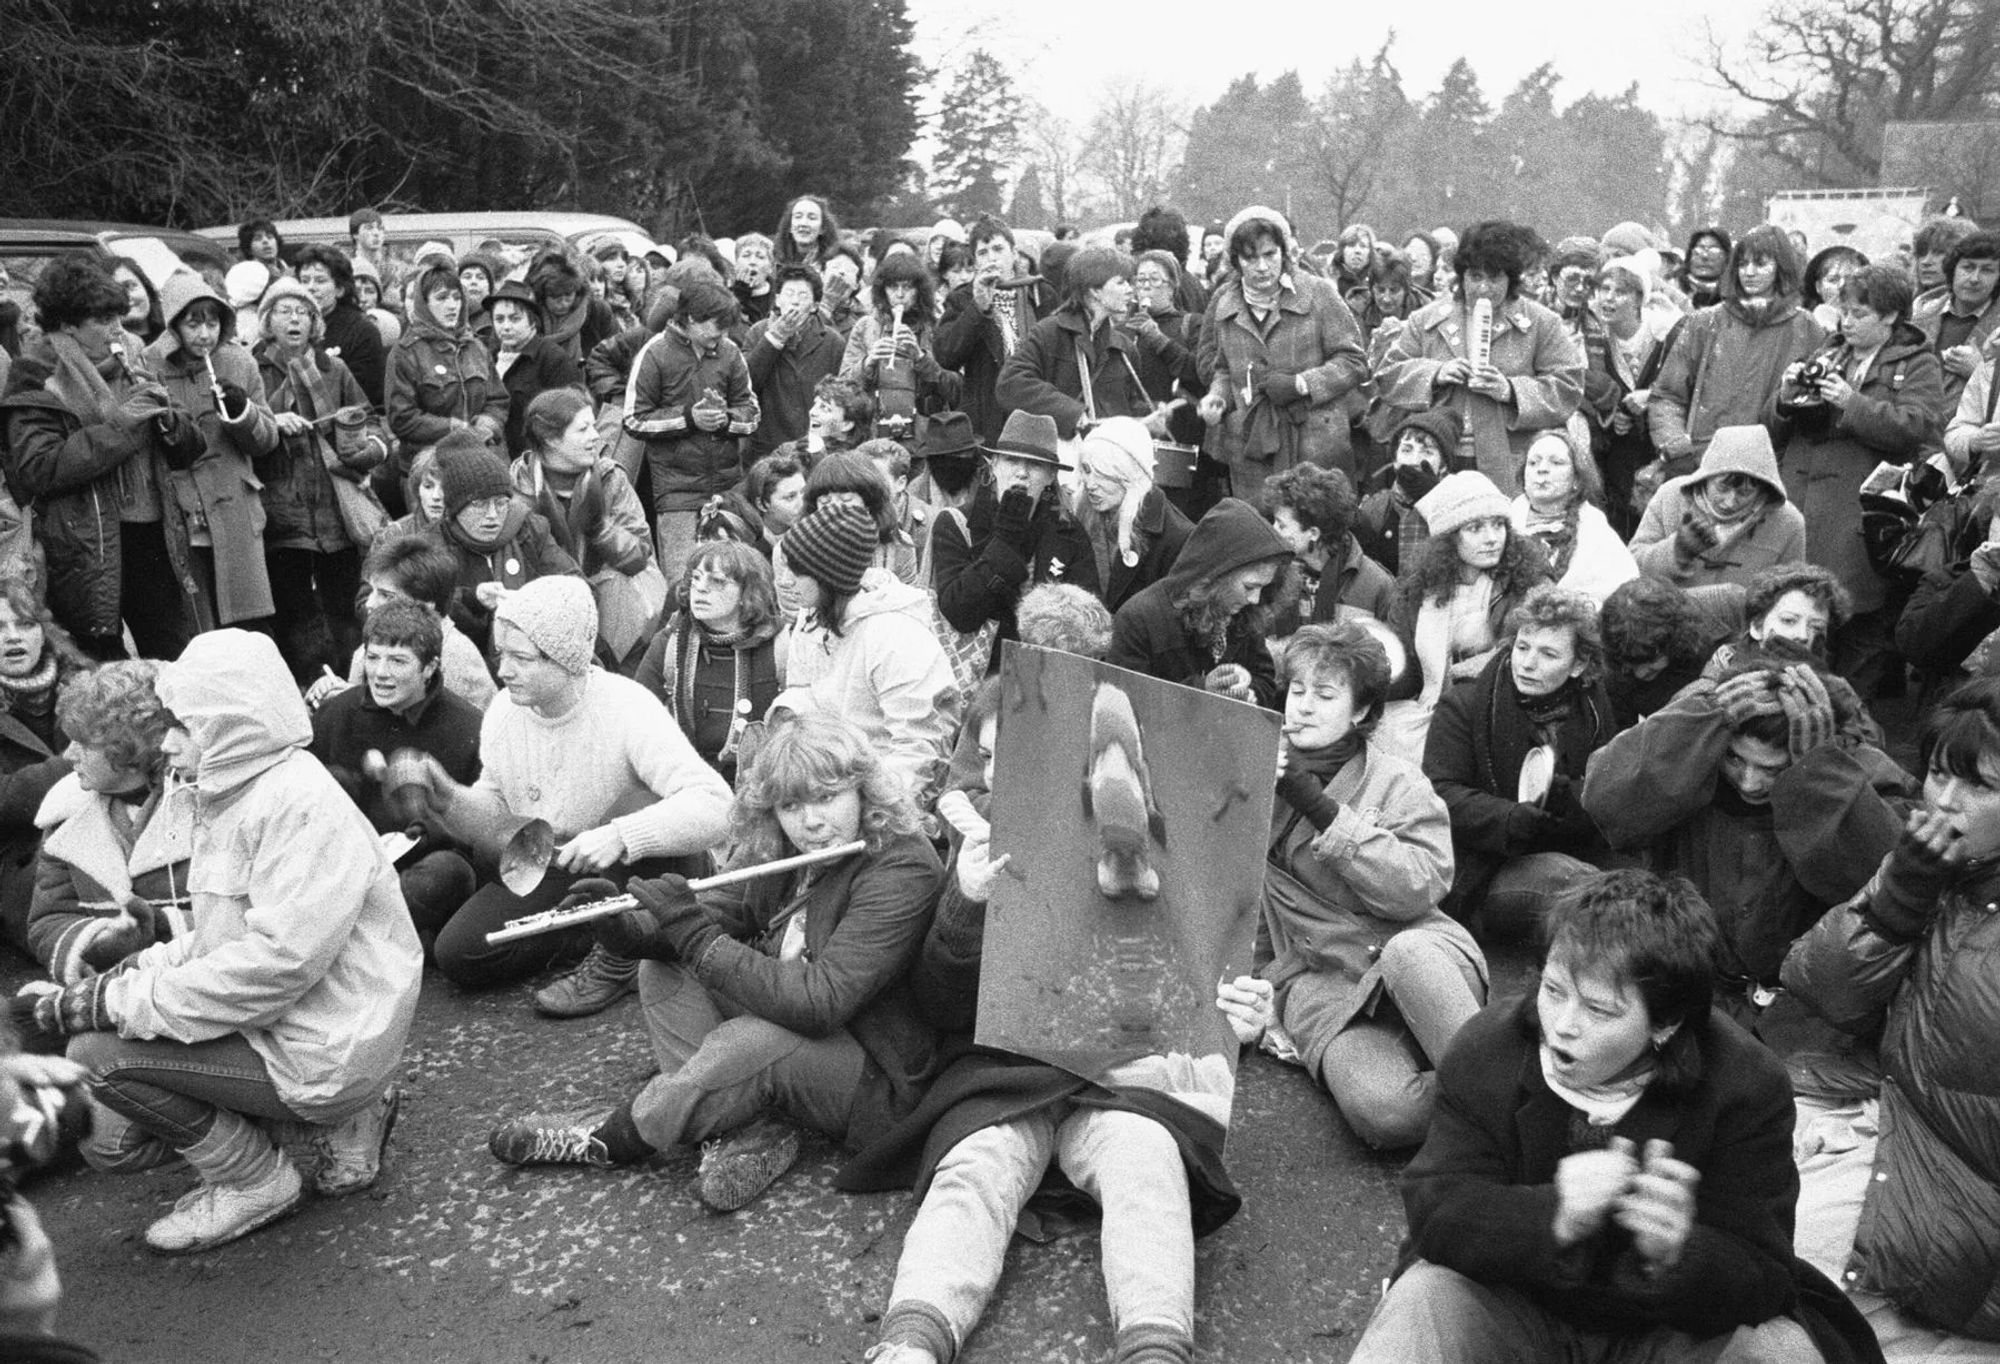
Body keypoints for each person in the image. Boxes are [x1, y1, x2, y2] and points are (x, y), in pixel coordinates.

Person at [843, 679, 1266, 1364]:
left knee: (1146, 1165)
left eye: (1014, 754)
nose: (994, 776)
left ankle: (1156, 1349)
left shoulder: (1170, 837)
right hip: (1013, 1067)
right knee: (974, 1167)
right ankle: (911, 1344)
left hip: (1127, 1071)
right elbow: (941, 1004)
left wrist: (1241, 1012)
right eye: (986, 758)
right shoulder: (980, 844)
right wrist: (966, 905)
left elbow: (1211, 971)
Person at [1347, 869, 1873, 1364]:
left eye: (1599, 1010)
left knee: (1780, 1350)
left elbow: (1766, 1275)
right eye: (1554, 991)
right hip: (1516, 1307)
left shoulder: (1745, 1085)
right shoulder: (1491, 1048)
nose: (1563, 1026)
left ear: (1665, 1025)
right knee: (1425, 1299)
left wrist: (1679, 1252)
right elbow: (1438, 1211)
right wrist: (1553, 1214)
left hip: (1660, 1330)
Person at [23, 629, 419, 1253]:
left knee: (98, 1056)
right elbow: (215, 938)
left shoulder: (294, 802)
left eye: (184, 726)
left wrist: (114, 1005)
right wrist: (109, 984)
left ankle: (258, 1178)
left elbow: (275, 966)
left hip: (326, 1039)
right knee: (109, 1139)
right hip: (297, 1024)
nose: (168, 743)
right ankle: (307, 1127)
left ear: (232, 726)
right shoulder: (233, 790)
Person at [485, 713, 944, 1215]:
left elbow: (822, 1003)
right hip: (795, 1021)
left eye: (828, 797)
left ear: (863, 791)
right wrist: (624, 928)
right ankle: (738, 1129)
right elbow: (716, 913)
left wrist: (696, 936)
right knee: (663, 969)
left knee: (746, 1042)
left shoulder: (902, 865)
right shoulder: (786, 842)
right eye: (792, 805)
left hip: (871, 1068)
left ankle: (613, 1135)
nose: (812, 821)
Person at [1783, 677, 2000, 1347]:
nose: (1944, 800)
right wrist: (1900, 892)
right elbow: (1821, 984)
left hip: (1956, 1192)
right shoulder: (1939, 874)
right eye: (1937, 774)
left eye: (1979, 785)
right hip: (1881, 1117)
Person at [412, 575, 733, 1010]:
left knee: (641, 800)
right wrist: (449, 800)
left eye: (521, 658)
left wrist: (622, 835)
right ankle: (589, 933)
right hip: (554, 858)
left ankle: (622, 953)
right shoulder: (505, 711)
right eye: (502, 654)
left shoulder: (626, 706)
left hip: (634, 865)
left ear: (565, 661)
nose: (503, 671)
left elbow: (717, 805)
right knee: (460, 954)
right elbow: (496, 813)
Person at [1258, 621, 1487, 1150]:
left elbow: (1419, 888)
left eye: (1325, 694)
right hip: (1326, 984)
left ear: (1361, 711)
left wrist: (1318, 806)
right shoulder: (1251, 775)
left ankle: (1497, 1097)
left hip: (1422, 958)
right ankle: (1506, 1082)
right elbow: (1229, 897)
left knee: (1406, 952)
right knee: (1386, 1116)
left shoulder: (1398, 780)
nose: (1303, 707)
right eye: (1296, 691)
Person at [1582, 652, 1906, 1010]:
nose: (1750, 783)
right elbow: (1605, 802)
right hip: (1695, 981)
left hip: (1797, 1004)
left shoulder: (1859, 770)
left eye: (1772, 768)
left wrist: (1818, 772)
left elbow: (1882, 877)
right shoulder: (1694, 762)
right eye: (1735, 759)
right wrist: (1708, 714)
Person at [1772, 262, 1943, 697]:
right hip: (1802, 498)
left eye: (1859, 314)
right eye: (1844, 312)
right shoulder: (1827, 353)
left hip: (1859, 508)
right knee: (1800, 602)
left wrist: (1852, 403)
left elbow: (1919, 427)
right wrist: (1787, 398)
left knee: (1856, 610)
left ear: (1890, 317)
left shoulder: (1918, 362)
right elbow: (1777, 425)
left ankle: (1841, 709)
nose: (1847, 322)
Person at [1423, 585, 1614, 938]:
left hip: (1569, 845)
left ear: (1579, 665)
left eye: (1548, 654)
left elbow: (1605, 786)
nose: (1527, 663)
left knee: (1628, 882)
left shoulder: (1591, 705)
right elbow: (1439, 793)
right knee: (1577, 889)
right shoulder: (1465, 703)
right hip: (1483, 866)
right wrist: (1508, 818)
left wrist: (1565, 798)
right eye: (1522, 647)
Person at [309, 599, 483, 955]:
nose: (380, 673)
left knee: (448, 873)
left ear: (429, 667)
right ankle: (377, 936)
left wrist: (428, 826)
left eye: (397, 661)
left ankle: (343, 936)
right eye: (373, 658)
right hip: (349, 862)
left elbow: (477, 831)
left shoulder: (467, 725)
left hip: (418, 866)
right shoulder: (336, 713)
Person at [1375, 220, 1586, 497]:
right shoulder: (1426, 320)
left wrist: (1511, 390)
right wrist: (1434, 373)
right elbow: (1388, 375)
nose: (1484, 288)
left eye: (1495, 278)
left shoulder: (1541, 323)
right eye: (1475, 277)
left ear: (1511, 279)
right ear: (1461, 277)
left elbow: (1569, 387)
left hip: (1508, 463)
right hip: (1436, 459)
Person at [768, 504, 959, 807]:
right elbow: (803, 690)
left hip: (883, 796)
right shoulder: (811, 617)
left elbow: (918, 748)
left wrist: (873, 807)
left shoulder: (896, 636)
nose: (785, 580)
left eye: (797, 571)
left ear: (827, 574)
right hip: (822, 778)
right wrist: (788, 717)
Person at [252, 277, 391, 683]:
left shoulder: (334, 368)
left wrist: (365, 453)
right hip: (280, 511)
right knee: (294, 609)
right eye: (284, 311)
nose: (295, 320)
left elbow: (371, 422)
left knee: (343, 606)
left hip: (336, 508)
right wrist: (272, 420)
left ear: (315, 322)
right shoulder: (252, 368)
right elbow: (242, 429)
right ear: (266, 319)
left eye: (303, 312)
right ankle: (310, 687)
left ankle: (350, 683)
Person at [26, 660, 191, 996]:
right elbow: (47, 919)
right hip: (106, 989)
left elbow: (239, 921)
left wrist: (161, 928)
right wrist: (94, 941)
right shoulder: (64, 814)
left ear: (128, 748)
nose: (69, 755)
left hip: (192, 985)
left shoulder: (201, 805)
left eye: (83, 743)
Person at [140, 271, 283, 643]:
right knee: (197, 623)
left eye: (213, 321)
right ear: (173, 324)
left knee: (246, 624)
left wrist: (243, 413)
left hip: (234, 506)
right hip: (183, 509)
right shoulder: (148, 364)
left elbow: (266, 441)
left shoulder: (239, 362)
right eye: (193, 322)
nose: (205, 334)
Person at [1195, 206, 1369, 496]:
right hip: (1254, 454)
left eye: (1270, 255)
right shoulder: (1225, 306)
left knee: (1318, 530)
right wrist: (1217, 398)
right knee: (1263, 536)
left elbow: (1354, 361)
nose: (1262, 267)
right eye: (1250, 258)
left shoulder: (1318, 293)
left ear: (1284, 253)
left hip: (1316, 450)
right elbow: (1225, 369)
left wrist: (1302, 384)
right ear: (1235, 261)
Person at [1382, 472, 1555, 761]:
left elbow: (1533, 653)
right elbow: (1403, 672)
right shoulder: (1419, 590)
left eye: (1498, 525)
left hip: (1502, 711)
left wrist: (1472, 672)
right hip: (1432, 707)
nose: (1491, 538)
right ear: (1449, 538)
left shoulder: (1530, 582)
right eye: (1475, 528)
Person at [1644, 225, 1825, 496]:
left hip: (1772, 474)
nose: (1749, 272)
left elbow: (1815, 411)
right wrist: (1677, 447)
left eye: (1761, 263)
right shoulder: (1705, 323)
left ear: (1782, 268)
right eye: (1742, 264)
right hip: (1703, 468)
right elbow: (1667, 395)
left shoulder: (1806, 328)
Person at [509, 388, 663, 665]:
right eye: (583, 429)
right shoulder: (519, 486)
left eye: (594, 426)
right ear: (551, 439)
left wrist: (600, 528)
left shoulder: (608, 477)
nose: (596, 436)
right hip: (544, 607)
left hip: (610, 611)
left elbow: (640, 555)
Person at [623, 280, 759, 581]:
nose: (722, 334)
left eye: (727, 327)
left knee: (732, 579)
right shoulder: (654, 353)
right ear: (690, 318)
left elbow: (752, 413)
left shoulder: (730, 353)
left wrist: (725, 420)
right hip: (676, 494)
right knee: (684, 582)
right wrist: (688, 419)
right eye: (716, 325)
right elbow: (634, 419)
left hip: (727, 489)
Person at [931, 410, 1098, 656]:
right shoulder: (955, 523)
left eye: (1035, 464)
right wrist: (1005, 541)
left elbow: (1088, 621)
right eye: (1011, 460)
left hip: (1042, 674)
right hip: (979, 677)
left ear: (1051, 475)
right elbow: (959, 614)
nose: (1022, 472)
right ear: (995, 465)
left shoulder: (1069, 533)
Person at [1107, 497, 1293, 710]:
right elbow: (1123, 703)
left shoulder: (1243, 613)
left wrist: (1250, 693)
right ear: (1216, 575)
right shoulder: (1139, 618)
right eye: (1249, 587)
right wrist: (1201, 690)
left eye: (1263, 588)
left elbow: (1266, 681)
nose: (1255, 599)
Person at [633, 541, 784, 787]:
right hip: (685, 784)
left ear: (748, 594)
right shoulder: (671, 641)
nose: (700, 589)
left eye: (718, 581)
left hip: (765, 787)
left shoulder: (780, 645)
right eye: (696, 578)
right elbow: (636, 716)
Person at [0, 581, 90, 956]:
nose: (12, 638)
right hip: (19, 855)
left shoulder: (89, 687)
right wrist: (79, 759)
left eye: (25, 624)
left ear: (45, 632)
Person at [997, 246, 1155, 445]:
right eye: (1121, 283)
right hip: (1061, 459)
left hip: (1106, 462)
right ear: (1095, 290)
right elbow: (1011, 384)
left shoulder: (1123, 347)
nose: (1129, 289)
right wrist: (1072, 413)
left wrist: (1150, 416)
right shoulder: (1049, 333)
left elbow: (1127, 403)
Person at [1631, 425, 1807, 590]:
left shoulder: (1788, 524)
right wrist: (1677, 550)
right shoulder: (1671, 497)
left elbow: (1789, 595)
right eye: (1722, 488)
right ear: (1706, 477)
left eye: (1745, 493)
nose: (1729, 502)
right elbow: (1629, 568)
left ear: (1763, 489)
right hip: (1668, 618)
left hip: (1739, 622)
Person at [385, 262, 508, 470]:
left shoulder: (475, 346)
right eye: (442, 298)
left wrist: (488, 424)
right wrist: (453, 428)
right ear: (424, 303)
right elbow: (401, 418)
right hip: (429, 468)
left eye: (457, 297)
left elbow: (498, 398)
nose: (452, 305)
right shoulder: (406, 352)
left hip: (478, 460)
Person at [1070, 416, 1192, 616]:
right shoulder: (1078, 515)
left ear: (1131, 476)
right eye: (1087, 471)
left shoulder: (1177, 538)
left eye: (1103, 474)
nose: (1090, 484)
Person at [934, 217, 1039, 445]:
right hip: (988, 415)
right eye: (982, 253)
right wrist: (978, 305)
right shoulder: (962, 298)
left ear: (1014, 252)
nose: (992, 257)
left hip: (1035, 410)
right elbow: (946, 356)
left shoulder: (1039, 293)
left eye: (998, 249)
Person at [1264, 462, 1395, 637]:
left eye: (1281, 525)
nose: (1273, 530)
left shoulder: (1376, 585)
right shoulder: (1268, 574)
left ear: (1313, 533)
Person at [1509, 428, 1638, 604]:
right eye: (1532, 463)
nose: (1542, 469)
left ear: (1577, 479)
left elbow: (1623, 588)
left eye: (1556, 462)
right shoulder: (1505, 522)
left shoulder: (1595, 531)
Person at [839, 253, 955, 444]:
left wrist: (920, 358)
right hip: (874, 438)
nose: (900, 295)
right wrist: (868, 362)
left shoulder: (935, 328)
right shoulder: (866, 327)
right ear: (882, 290)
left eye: (907, 287)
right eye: (893, 287)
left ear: (919, 291)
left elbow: (952, 387)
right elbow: (843, 389)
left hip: (924, 438)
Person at [745, 263, 845, 459]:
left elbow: (841, 397)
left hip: (816, 445)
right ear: (778, 300)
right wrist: (775, 339)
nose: (795, 302)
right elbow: (747, 384)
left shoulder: (833, 342)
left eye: (803, 296)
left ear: (815, 306)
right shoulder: (758, 333)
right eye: (789, 294)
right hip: (769, 446)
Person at [1598, 576, 1720, 729]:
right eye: (1629, 666)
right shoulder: (1610, 675)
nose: (1640, 674)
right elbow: (1623, 741)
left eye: (1650, 663)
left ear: (1674, 644)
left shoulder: (1714, 628)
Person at [485, 280, 584, 460]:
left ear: (532, 322)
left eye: (515, 319)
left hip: (536, 459)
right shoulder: (488, 357)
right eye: (499, 319)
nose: (506, 326)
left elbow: (570, 415)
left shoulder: (553, 358)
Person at [1355, 407, 1457, 577]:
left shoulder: (1458, 503)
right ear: (1395, 460)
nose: (1415, 461)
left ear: (1444, 465)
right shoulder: (1375, 508)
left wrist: (1434, 498)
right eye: (1407, 450)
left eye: (1427, 452)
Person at [1915, 228, 2000, 421]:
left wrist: (1981, 372)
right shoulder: (1920, 318)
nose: (1975, 278)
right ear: (1952, 270)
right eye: (1968, 267)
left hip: (1969, 441)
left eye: (1987, 270)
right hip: (1913, 435)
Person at [292, 244, 388, 411]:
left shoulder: (362, 332)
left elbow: (364, 398)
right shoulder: (288, 327)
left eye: (320, 280)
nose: (310, 287)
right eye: (304, 280)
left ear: (340, 289)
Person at [528, 254, 617, 369]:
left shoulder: (598, 310)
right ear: (543, 296)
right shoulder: (531, 316)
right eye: (555, 297)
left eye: (568, 295)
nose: (564, 303)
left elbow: (614, 355)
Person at [773, 194, 841, 269]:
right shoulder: (773, 261)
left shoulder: (835, 264)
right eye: (798, 217)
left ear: (822, 228)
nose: (804, 223)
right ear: (789, 226)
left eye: (812, 218)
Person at [1673, 225, 1731, 309]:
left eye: (1713, 250)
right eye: (1700, 249)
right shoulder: (1669, 286)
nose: (1704, 256)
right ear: (1690, 254)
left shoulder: (1736, 299)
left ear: (1727, 257)